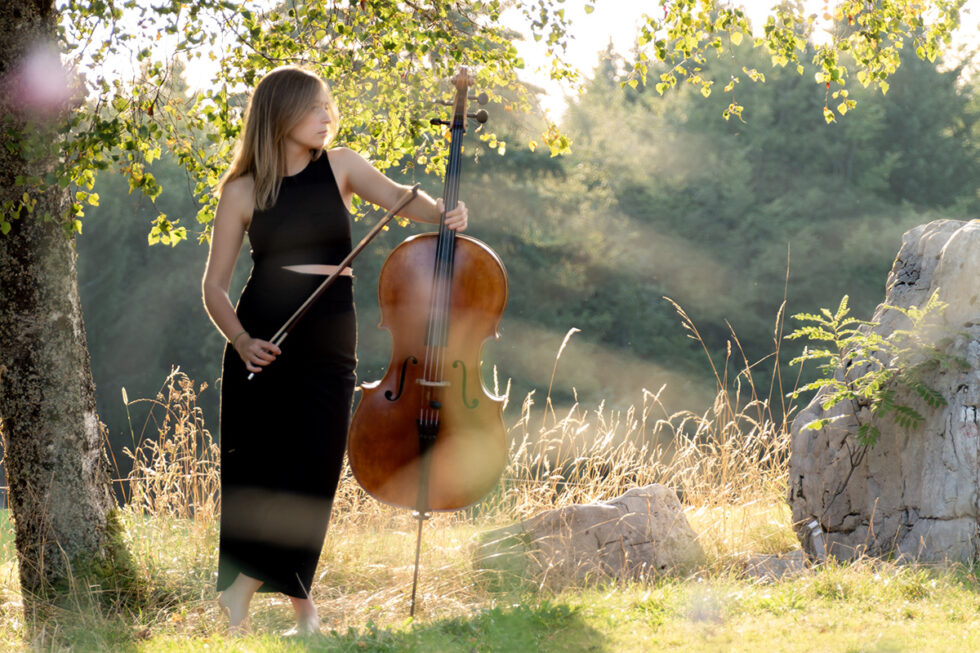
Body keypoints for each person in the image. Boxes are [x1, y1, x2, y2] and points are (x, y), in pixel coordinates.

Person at [201, 65, 467, 635]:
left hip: (330, 330)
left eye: (330, 107)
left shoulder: (342, 165)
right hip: (264, 336)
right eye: (316, 107)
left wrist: (445, 214)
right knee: (261, 471)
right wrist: (241, 340)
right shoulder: (242, 190)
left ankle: (243, 588)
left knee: (314, 467)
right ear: (281, 112)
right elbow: (214, 288)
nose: (328, 117)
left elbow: (400, 198)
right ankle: (304, 613)